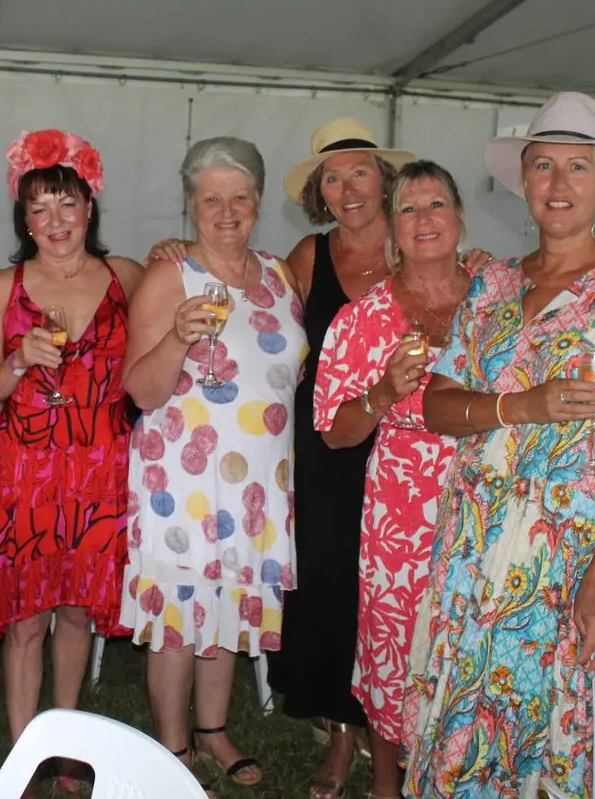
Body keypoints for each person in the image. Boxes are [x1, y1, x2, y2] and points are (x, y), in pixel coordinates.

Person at [402, 92, 595, 799]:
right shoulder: (490, 285)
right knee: (459, 722)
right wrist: (519, 405)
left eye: (577, 168)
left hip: (558, 562)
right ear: (521, 182)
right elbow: (436, 408)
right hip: (469, 544)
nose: (558, 185)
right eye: (542, 167)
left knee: (532, 734)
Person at [148, 118, 421, 798]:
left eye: (359, 171)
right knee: (327, 586)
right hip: (317, 453)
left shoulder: (412, 249)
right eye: (332, 176)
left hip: (400, 450)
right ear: (317, 192)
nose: (346, 186)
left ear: (384, 181)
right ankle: (334, 731)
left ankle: (399, 725)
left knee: (392, 592)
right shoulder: (303, 256)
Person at [122, 136, 303, 794]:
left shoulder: (280, 275)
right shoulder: (170, 277)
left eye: (239, 197)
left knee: (225, 607)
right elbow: (138, 391)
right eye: (209, 199)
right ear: (189, 205)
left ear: (257, 202)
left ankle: (213, 729)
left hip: (256, 484)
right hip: (182, 480)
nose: (225, 210)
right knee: (178, 614)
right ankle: (172, 743)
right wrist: (175, 335)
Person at [0, 130, 144, 792]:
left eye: (66, 204)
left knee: (76, 611)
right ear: (24, 218)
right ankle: (25, 752)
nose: (54, 222)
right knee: (25, 618)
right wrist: (18, 360)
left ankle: (68, 742)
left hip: (100, 466)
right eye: (39, 208)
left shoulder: (127, 277)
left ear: (89, 208)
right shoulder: (2, 285)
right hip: (27, 468)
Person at [313, 161, 469, 799]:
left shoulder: (502, 301)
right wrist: (380, 395)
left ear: (460, 218)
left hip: (488, 503)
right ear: (392, 230)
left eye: (437, 205)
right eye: (409, 209)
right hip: (400, 508)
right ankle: (385, 785)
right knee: (392, 647)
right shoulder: (361, 319)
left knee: (464, 645)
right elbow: (332, 431)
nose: (424, 220)